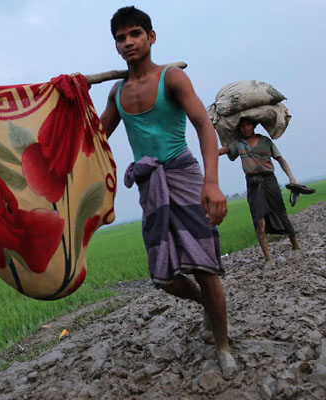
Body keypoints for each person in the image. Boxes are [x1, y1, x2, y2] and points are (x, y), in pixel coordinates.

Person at [99, 7, 236, 376]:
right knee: (164, 277)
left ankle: (222, 345)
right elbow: (93, 140)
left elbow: (204, 126)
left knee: (206, 269)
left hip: (185, 177)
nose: (128, 42)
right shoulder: (117, 93)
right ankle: (207, 306)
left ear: (151, 37)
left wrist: (212, 182)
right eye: (121, 38)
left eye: (135, 34)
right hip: (151, 187)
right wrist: (65, 100)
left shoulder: (171, 79)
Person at [219, 117, 301, 265]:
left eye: (248, 125)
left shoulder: (265, 141)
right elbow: (222, 151)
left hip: (269, 180)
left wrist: (291, 177)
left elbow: (280, 159)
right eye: (242, 126)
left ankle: (295, 246)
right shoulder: (238, 144)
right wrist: (207, 146)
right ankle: (268, 258)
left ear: (254, 125)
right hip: (252, 184)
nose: (245, 129)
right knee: (259, 221)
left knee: (281, 214)